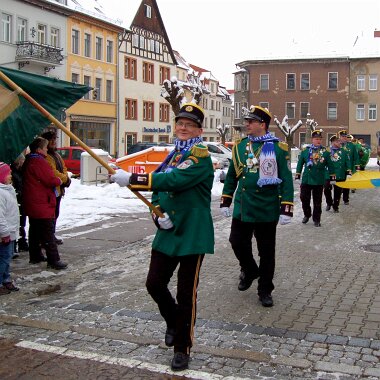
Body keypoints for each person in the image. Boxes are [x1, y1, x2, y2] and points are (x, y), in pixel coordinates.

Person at [111, 103, 214, 372]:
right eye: (179, 123)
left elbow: (175, 181)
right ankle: (173, 320)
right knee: (154, 284)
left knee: (185, 294)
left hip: (192, 233)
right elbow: (158, 190)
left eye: (189, 125)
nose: (182, 127)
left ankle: (183, 348)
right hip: (168, 231)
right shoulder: (172, 156)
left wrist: (132, 178)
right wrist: (157, 216)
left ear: (199, 130)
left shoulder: (199, 156)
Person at [220, 105, 294, 308]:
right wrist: (226, 199)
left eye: (251, 122)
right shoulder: (239, 147)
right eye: (246, 121)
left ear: (262, 124)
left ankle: (265, 289)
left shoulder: (278, 148)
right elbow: (233, 176)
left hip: (266, 208)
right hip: (243, 206)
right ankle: (250, 269)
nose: (247, 125)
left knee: (267, 252)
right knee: (236, 241)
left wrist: (286, 207)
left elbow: (286, 179)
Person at [22, 137, 68, 270]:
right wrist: (59, 181)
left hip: (33, 201)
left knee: (35, 229)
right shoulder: (38, 161)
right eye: (45, 147)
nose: (47, 149)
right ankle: (54, 259)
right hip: (41, 202)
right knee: (47, 231)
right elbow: (50, 179)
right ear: (39, 149)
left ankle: (35, 255)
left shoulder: (30, 160)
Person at [295, 129, 335, 227]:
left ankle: (317, 219)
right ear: (312, 139)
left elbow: (330, 165)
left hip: (318, 179)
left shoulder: (325, 152)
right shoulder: (305, 151)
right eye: (316, 139)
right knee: (304, 198)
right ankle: (307, 214)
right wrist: (298, 174)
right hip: (307, 179)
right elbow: (300, 163)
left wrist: (332, 177)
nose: (318, 141)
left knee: (317, 201)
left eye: (320, 139)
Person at [41, 130, 71, 245]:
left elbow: (63, 168)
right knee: (50, 215)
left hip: (58, 190)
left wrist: (65, 177)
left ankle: (51, 235)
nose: (54, 142)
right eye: (51, 140)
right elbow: (53, 172)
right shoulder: (47, 156)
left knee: (55, 213)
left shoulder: (56, 155)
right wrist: (65, 179)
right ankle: (47, 238)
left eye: (55, 139)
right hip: (51, 190)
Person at [0, 162, 20, 295]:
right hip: (4, 233)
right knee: (4, 258)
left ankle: (5, 279)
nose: (11, 176)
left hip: (11, 231)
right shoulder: (1, 193)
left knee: (8, 257)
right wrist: (4, 232)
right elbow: (0, 216)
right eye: (8, 174)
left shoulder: (8, 189)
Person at [324, 135, 351, 212]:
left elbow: (347, 162)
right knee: (326, 189)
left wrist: (349, 172)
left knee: (337, 191)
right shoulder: (327, 151)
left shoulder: (344, 151)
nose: (339, 142)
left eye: (339, 141)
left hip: (339, 174)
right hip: (328, 174)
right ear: (332, 142)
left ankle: (335, 206)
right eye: (337, 141)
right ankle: (329, 202)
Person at [10, 153, 28, 257]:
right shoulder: (13, 173)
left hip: (21, 200)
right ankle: (16, 244)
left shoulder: (20, 172)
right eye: (22, 160)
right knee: (17, 223)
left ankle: (22, 242)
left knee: (22, 223)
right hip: (17, 201)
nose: (23, 162)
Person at [338, 130, 360, 205]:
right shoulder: (336, 144)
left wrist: (357, 166)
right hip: (338, 169)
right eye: (342, 136)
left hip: (348, 168)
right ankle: (337, 199)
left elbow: (356, 157)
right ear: (339, 137)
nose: (344, 138)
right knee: (338, 184)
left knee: (346, 184)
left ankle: (345, 199)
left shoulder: (352, 146)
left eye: (345, 136)